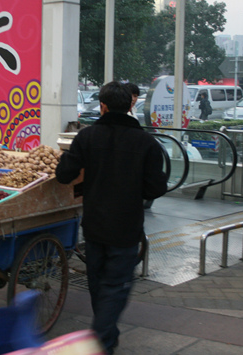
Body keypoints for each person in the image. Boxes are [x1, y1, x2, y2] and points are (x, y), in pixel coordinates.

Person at [56, 81, 168, 354]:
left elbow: (63, 174)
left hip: (94, 224)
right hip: (126, 227)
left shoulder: (87, 137)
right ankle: (102, 339)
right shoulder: (146, 142)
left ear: (103, 106)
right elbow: (156, 188)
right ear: (130, 106)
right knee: (115, 285)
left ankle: (105, 336)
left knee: (98, 283)